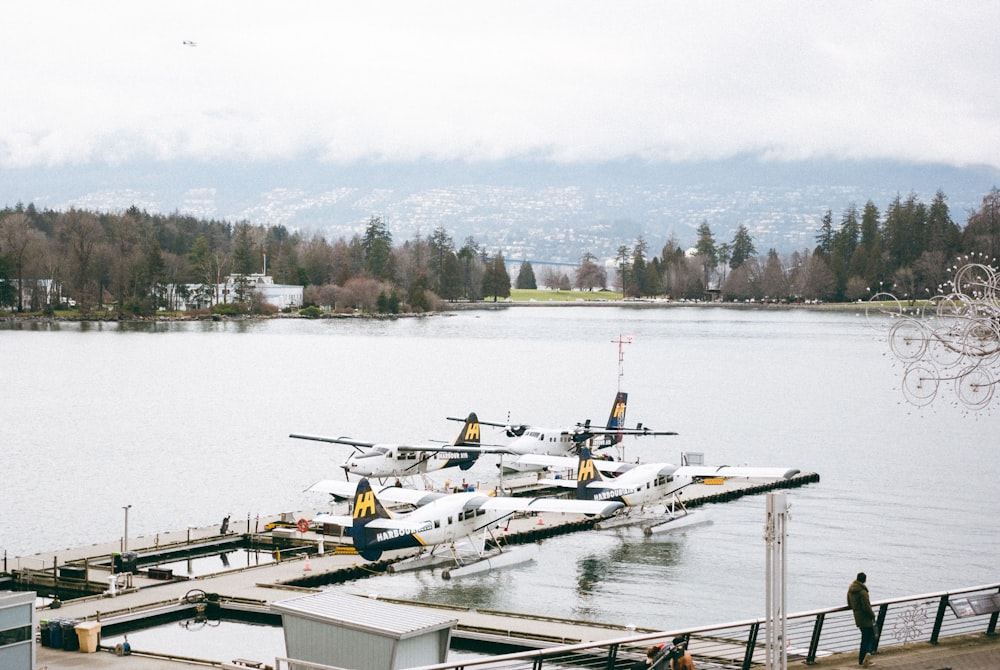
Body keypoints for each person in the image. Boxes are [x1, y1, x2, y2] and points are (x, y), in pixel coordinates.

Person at [847, 572, 876, 667]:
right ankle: (867, 654)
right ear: (865, 580)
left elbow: (849, 603)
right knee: (872, 635)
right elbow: (866, 606)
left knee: (864, 637)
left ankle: (861, 660)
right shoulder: (863, 592)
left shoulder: (851, 590)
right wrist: (872, 615)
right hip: (866, 617)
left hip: (858, 617)